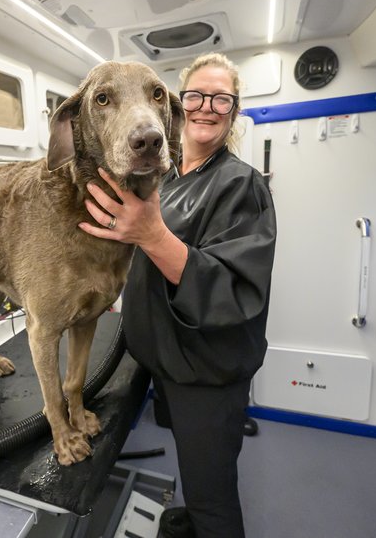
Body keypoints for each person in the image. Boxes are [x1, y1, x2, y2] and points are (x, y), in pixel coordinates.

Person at [79, 52, 277, 538]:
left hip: (207, 374)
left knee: (214, 497)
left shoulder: (241, 185)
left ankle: (207, 524)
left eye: (221, 99)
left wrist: (151, 235)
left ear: (233, 110)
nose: (206, 107)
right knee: (193, 469)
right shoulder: (162, 177)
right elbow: (144, 264)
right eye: (195, 96)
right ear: (175, 105)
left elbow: (234, 292)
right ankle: (190, 518)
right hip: (165, 359)